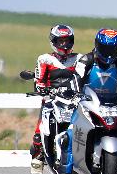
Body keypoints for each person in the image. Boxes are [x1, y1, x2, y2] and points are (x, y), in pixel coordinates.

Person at [62, 28, 117, 174]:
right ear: (97, 45)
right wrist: (73, 91)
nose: (109, 52)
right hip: (88, 102)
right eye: (105, 48)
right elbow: (76, 78)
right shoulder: (86, 60)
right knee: (70, 135)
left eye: (113, 49)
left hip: (113, 104)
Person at [30, 24, 81, 174]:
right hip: (51, 103)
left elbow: (86, 79)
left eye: (67, 41)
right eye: (60, 41)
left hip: (73, 103)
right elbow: (38, 82)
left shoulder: (80, 59)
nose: (64, 44)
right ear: (53, 42)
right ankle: (38, 163)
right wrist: (42, 88)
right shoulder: (44, 59)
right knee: (38, 138)